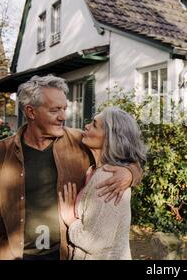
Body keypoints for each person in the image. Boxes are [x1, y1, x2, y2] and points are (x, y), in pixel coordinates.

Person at [0, 75, 143, 260]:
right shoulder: (0, 152)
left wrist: (130, 172)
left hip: (65, 252)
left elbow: (122, 153)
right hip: (17, 254)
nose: (63, 117)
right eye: (55, 110)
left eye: (65, 108)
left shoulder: (81, 141)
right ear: (31, 112)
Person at [59, 107, 146, 260]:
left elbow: (94, 242)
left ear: (110, 138)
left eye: (94, 124)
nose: (86, 126)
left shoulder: (108, 176)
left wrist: (70, 219)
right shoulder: (94, 170)